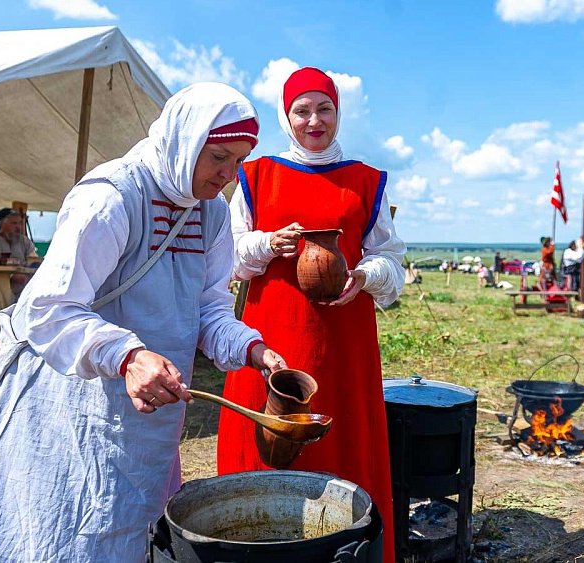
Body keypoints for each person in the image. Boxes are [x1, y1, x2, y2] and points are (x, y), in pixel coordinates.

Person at [0, 83, 288, 562]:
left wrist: (253, 349)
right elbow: (48, 309)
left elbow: (208, 309)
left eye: (237, 162)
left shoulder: (212, 216)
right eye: (218, 156)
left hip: (149, 404)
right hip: (72, 394)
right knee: (59, 522)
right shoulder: (114, 198)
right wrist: (127, 354)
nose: (227, 175)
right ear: (186, 141)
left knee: (123, 524)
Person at [217, 67, 405, 563]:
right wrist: (268, 242)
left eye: (324, 109)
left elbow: (391, 259)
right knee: (269, 446)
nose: (313, 120)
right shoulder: (255, 176)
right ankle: (257, 547)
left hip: (344, 342)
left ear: (339, 113)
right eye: (302, 110)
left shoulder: (366, 180)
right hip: (271, 338)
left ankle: (344, 548)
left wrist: (364, 276)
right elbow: (228, 255)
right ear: (286, 116)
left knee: (341, 445)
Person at [0, 207, 41, 303]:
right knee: (19, 279)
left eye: (19, 223)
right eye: (14, 223)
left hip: (22, 282)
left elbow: (34, 259)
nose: (18, 227)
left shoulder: (24, 241)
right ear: (1, 224)